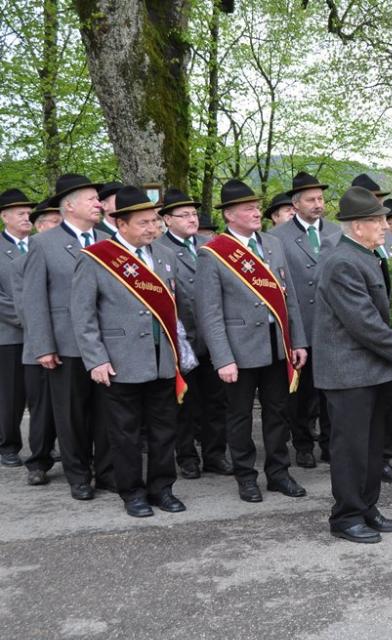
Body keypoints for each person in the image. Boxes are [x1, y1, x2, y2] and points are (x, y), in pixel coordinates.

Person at [71, 186, 188, 517]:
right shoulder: (96, 258)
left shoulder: (164, 255)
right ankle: (132, 492)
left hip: (162, 357)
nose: (152, 228)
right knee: (125, 433)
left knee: (164, 429)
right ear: (121, 223)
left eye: (154, 221)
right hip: (120, 360)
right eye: (143, 223)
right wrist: (96, 359)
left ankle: (162, 488)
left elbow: (175, 307)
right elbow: (83, 315)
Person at [312, 186, 392, 543]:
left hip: (372, 370)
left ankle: (366, 506)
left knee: (374, 447)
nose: (385, 226)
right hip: (349, 373)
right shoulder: (342, 262)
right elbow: (363, 323)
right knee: (351, 448)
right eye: (377, 221)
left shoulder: (367, 255)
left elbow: (383, 310)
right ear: (358, 226)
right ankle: (346, 516)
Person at [195, 179, 309, 503]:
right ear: (229, 215)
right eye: (248, 209)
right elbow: (210, 313)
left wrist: (297, 341)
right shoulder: (213, 253)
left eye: (257, 207)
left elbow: (289, 297)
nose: (257, 212)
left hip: (276, 343)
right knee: (240, 416)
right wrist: (223, 358)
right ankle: (246, 476)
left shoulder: (273, 244)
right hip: (238, 350)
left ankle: (279, 473)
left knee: (278, 412)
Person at [22, 173, 113, 499]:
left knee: (107, 412)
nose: (99, 204)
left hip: (108, 343)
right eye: (92, 199)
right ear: (69, 206)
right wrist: (43, 346)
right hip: (65, 345)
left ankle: (107, 472)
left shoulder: (108, 240)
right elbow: (33, 299)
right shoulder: (43, 244)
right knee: (71, 414)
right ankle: (78, 475)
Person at [268, 171, 342, 472]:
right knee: (301, 392)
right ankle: (302, 444)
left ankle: (330, 443)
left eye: (320, 198)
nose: (318, 204)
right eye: (311, 200)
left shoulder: (336, 231)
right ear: (295, 204)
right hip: (300, 325)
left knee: (331, 392)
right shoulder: (278, 237)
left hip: (332, 325)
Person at [157, 188, 232, 478]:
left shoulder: (209, 245)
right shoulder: (159, 249)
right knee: (184, 402)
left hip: (212, 337)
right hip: (181, 339)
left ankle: (215, 454)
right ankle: (187, 456)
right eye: (184, 215)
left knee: (216, 400)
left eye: (194, 214)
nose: (192, 219)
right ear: (167, 219)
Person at [17, 199, 59, 484]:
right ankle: (39, 461)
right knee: (42, 409)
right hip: (39, 346)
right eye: (54, 223)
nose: (60, 227)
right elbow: (26, 307)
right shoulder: (22, 261)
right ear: (40, 227)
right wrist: (44, 343)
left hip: (71, 344)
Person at [0, 188, 36, 467]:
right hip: (10, 334)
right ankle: (8, 445)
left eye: (29, 213)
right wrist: (31, 319)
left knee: (40, 394)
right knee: (11, 395)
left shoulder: (39, 245)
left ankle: (42, 445)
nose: (27, 217)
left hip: (41, 335)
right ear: (4, 217)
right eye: (20, 213)